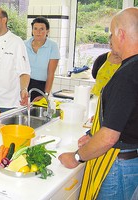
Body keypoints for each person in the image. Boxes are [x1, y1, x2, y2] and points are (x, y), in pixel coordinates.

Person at [59, 7, 138, 200]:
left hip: (119, 165)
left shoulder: (127, 75)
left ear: (121, 34)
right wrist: (92, 136)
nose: (110, 39)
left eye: (112, 33)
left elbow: (109, 138)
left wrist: (76, 157)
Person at [25, 17, 60, 101]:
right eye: (35, 29)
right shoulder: (24, 45)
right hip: (24, 85)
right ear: (32, 30)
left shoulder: (53, 46)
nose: (38, 32)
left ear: (47, 31)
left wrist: (46, 94)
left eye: (42, 29)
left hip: (42, 86)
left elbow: (50, 73)